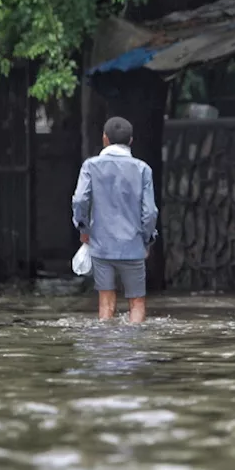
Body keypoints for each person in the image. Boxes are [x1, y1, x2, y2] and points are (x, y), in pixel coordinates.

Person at [72, 116, 159, 323]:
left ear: (104, 138)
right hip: (133, 246)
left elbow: (80, 200)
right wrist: (146, 240)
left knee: (105, 302)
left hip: (101, 246)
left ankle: (106, 349)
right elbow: (150, 212)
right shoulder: (143, 169)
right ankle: (134, 348)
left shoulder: (90, 166)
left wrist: (84, 229)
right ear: (130, 141)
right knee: (137, 302)